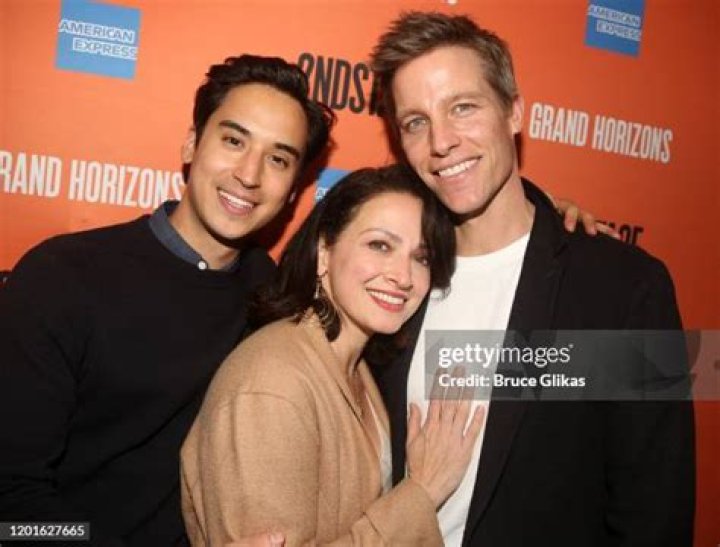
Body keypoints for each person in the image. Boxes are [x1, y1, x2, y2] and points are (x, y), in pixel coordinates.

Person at [368, 11, 695, 547]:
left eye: (463, 107)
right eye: (416, 122)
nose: (441, 141)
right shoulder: (390, 281)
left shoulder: (619, 289)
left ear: (514, 112)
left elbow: (653, 511)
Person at [0, 54, 333, 547]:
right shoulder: (62, 276)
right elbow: (12, 506)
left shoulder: (274, 296)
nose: (249, 174)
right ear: (192, 143)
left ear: (292, 193)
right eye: (234, 140)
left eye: (278, 159)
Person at [181, 165, 485, 546]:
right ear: (324, 252)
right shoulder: (273, 384)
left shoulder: (358, 369)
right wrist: (421, 492)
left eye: (421, 257)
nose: (404, 276)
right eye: (380, 246)